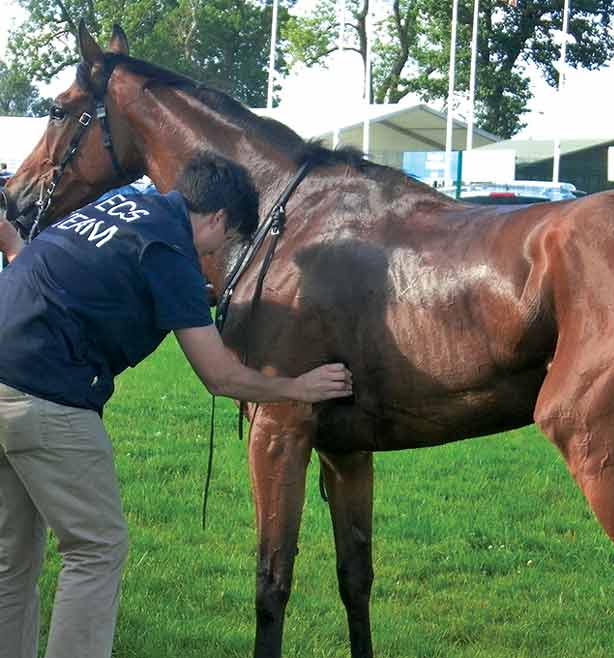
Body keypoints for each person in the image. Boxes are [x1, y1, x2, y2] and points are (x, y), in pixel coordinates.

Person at [0, 154, 353, 658]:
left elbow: (87, 275)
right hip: (47, 397)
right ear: (216, 219)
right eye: (226, 241)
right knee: (95, 549)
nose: (217, 253)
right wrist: (301, 387)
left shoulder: (122, 205)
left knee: (11, 561)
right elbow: (220, 376)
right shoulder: (170, 250)